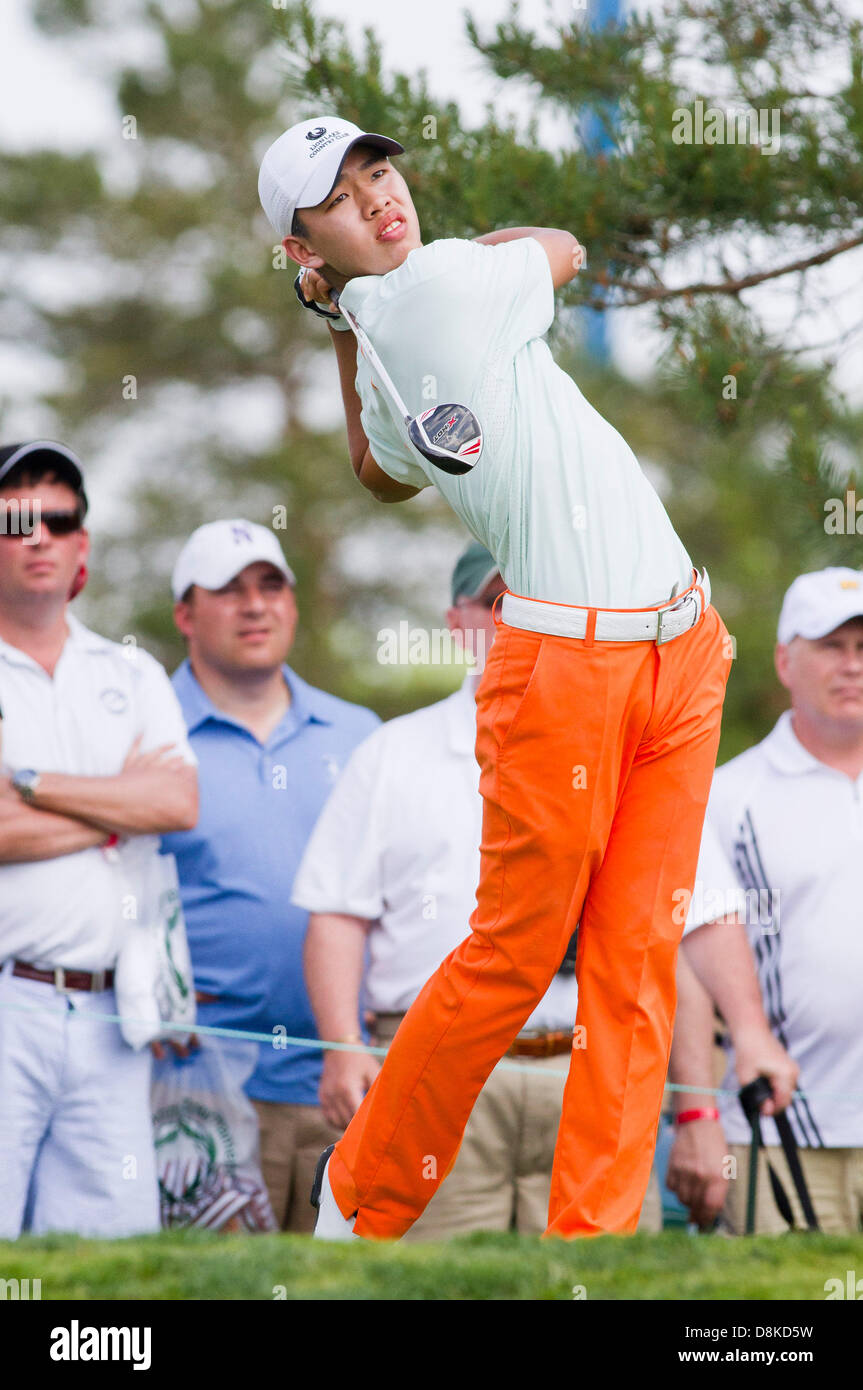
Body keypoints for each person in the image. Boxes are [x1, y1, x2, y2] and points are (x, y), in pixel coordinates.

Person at [258, 117, 732, 1239]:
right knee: (516, 955)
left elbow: (376, 475)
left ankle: (595, 1241)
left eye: (380, 171)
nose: (381, 196)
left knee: (631, 956)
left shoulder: (383, 337)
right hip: (569, 662)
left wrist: (335, 318)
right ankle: (359, 1197)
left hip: (678, 646)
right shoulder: (442, 284)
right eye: (341, 195)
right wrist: (404, 277)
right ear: (301, 247)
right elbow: (565, 244)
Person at [293, 542, 612, 1238]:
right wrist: (343, 1045)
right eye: (500, 602)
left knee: (595, 1286)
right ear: (456, 621)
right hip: (430, 1069)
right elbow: (336, 916)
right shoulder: (391, 753)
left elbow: (677, 925)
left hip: (582, 1073)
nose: (521, 618)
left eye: (539, 599)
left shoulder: (614, 748)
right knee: (434, 1285)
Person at [0, 440, 198, 1239]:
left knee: (110, 1258)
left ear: (83, 542)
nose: (40, 535)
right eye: (18, 521)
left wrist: (29, 783)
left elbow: (178, 801)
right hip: (8, 1000)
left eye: (59, 519)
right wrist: (119, 806)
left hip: (116, 1012)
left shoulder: (131, 673)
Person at [162, 519, 379, 1233]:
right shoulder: (146, 733)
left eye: (269, 585)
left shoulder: (360, 735)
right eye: (228, 591)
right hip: (198, 1087)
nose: (254, 605)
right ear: (185, 616)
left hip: (346, 1084)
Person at [666, 567, 863, 1234]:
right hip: (778, 1131)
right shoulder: (725, 796)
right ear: (784, 660)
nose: (852, 666)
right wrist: (696, 1116)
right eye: (830, 646)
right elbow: (686, 967)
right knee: (780, 1333)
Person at [665, 821, 799, 1229]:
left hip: (778, 1101)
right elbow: (689, 930)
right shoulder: (730, 791)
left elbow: (697, 917)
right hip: (755, 1122)